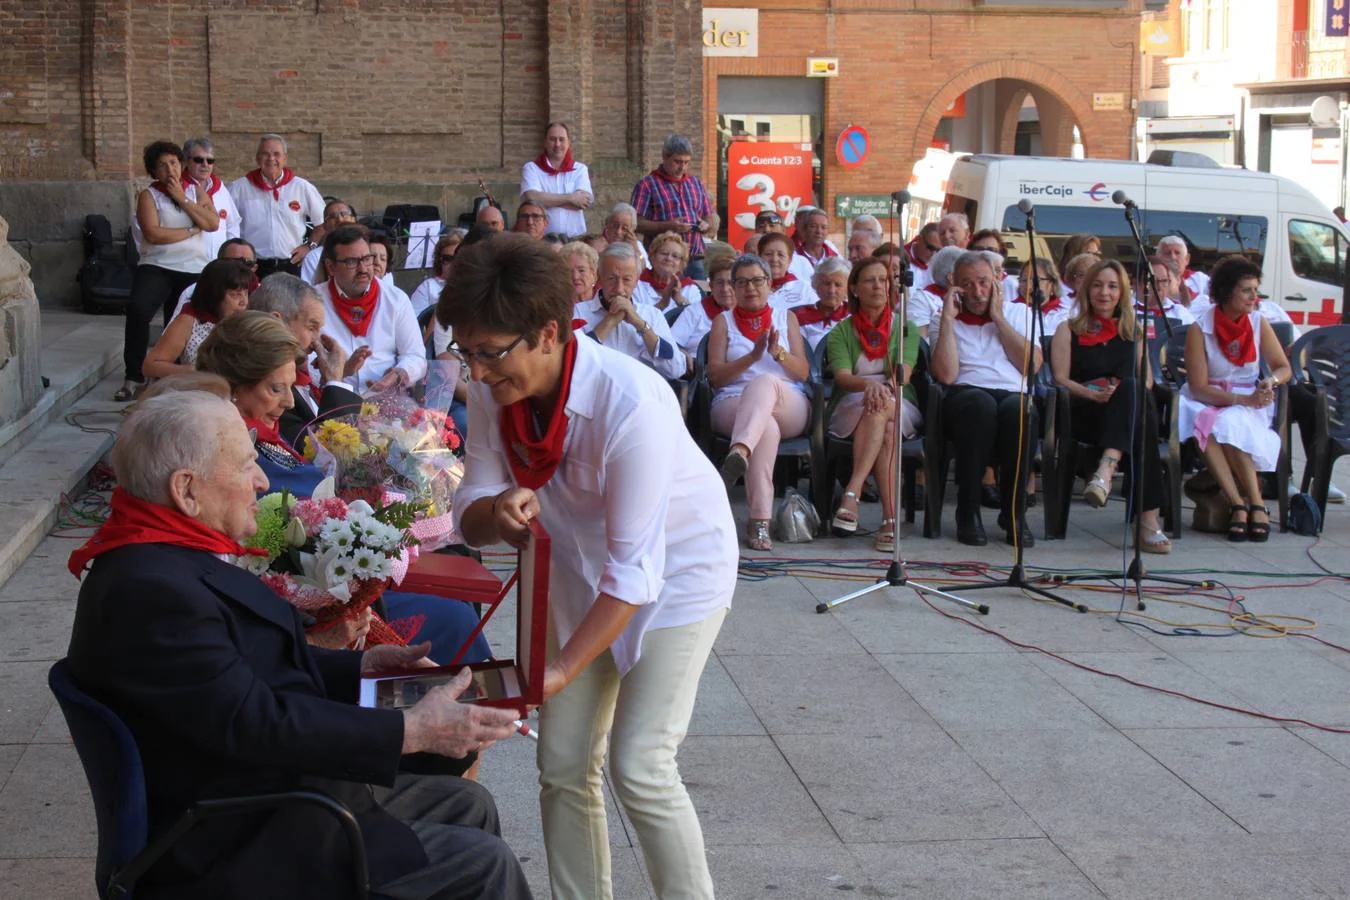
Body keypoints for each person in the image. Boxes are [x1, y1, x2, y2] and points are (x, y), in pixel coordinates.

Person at [65, 389, 531, 900]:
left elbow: (239, 673)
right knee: (483, 863)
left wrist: (361, 667)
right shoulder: (149, 590)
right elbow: (255, 722)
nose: (262, 481)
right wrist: (410, 730)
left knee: (470, 804)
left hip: (264, 793)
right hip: (236, 836)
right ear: (187, 490)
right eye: (245, 466)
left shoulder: (163, 556)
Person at [444, 234, 735, 900]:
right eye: (467, 352)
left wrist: (560, 670)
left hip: (678, 572)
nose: (477, 373)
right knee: (563, 762)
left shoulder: (629, 402)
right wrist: (500, 508)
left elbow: (634, 574)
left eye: (489, 353)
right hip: (576, 569)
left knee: (641, 764)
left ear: (548, 333)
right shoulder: (495, 388)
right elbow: (468, 511)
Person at [1050, 259, 1170, 552]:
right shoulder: (1068, 329)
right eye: (1098, 285)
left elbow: (1149, 382)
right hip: (1087, 413)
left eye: (1113, 286)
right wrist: (1093, 395)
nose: (1105, 292)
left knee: (1133, 388)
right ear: (1086, 289)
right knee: (1142, 423)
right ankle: (1148, 520)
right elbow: (1061, 379)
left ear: (1123, 292)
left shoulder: (1133, 331)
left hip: (1125, 410)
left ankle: (1105, 470)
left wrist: (1118, 394)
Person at [1177, 255, 1292, 543]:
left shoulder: (1257, 322)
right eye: (1246, 290)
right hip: (1208, 398)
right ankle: (1247, 504)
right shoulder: (1199, 328)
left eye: (1256, 289)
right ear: (1227, 292)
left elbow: (1283, 367)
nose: (1255, 297)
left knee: (1228, 424)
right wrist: (1242, 400)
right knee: (1217, 421)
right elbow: (1199, 387)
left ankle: (1248, 504)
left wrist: (1270, 381)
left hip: (1249, 396)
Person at [930, 251, 1041, 547]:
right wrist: (948, 321)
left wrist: (998, 318)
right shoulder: (944, 318)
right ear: (954, 285)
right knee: (980, 405)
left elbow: (1031, 367)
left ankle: (1014, 513)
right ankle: (968, 511)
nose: (977, 292)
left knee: (1019, 409)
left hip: (1011, 393)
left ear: (997, 281)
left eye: (983, 282)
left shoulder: (1020, 313)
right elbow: (946, 375)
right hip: (965, 396)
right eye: (967, 284)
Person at [708, 254, 811, 551]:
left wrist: (777, 353)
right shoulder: (722, 321)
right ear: (734, 288)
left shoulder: (786, 317)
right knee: (765, 427)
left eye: (757, 280)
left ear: (769, 284)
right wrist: (752, 357)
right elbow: (715, 377)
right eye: (742, 282)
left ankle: (739, 450)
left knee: (765, 382)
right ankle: (759, 523)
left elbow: (803, 372)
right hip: (734, 401)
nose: (750, 288)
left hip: (787, 400)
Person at [826, 256, 921, 552]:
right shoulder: (840, 332)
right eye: (870, 280)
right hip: (853, 401)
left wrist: (884, 387)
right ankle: (889, 520)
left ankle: (851, 494)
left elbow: (905, 371)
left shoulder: (905, 327)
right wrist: (870, 385)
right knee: (885, 426)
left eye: (883, 279)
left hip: (898, 398)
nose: (879, 285)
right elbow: (842, 377)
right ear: (854, 288)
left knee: (881, 409)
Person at [117, 140, 220, 402]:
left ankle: (169, 378)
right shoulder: (149, 195)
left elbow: (211, 223)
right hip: (157, 265)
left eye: (173, 163)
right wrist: (189, 230)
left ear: (182, 164)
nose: (170, 170)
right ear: (154, 171)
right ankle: (133, 375)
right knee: (139, 309)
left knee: (178, 323)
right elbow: (153, 233)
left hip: (193, 267)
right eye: (162, 166)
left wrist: (181, 198)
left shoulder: (194, 191)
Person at [248, 273, 362, 447]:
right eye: (311, 327)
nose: (317, 340)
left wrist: (332, 381)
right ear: (276, 322)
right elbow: (329, 452)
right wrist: (335, 380)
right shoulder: (264, 387)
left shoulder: (305, 377)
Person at [316, 225, 427, 394]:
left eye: (367, 259)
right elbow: (304, 366)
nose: (363, 269)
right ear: (330, 267)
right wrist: (341, 372)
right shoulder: (313, 302)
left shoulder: (396, 299)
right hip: (331, 399)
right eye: (351, 262)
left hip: (386, 401)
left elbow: (416, 357)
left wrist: (398, 374)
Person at [571, 243, 685, 380]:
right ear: (599, 277)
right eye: (612, 279)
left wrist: (641, 325)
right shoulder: (577, 312)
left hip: (642, 396)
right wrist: (609, 322)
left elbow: (675, 369)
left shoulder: (652, 315)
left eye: (627, 280)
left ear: (637, 281)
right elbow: (574, 363)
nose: (619, 288)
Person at [228, 134, 326, 278]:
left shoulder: (302, 187)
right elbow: (225, 225)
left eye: (276, 154)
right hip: (252, 267)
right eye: (265, 154)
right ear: (257, 158)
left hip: (292, 264)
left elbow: (323, 223)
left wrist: (309, 246)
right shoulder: (238, 188)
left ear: (284, 158)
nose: (271, 158)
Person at [143, 259, 253, 379]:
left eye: (246, 293)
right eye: (235, 294)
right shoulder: (189, 321)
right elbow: (150, 366)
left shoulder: (249, 322)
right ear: (215, 295)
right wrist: (193, 372)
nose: (244, 302)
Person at [631, 134, 717, 279]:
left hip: (694, 258)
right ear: (665, 157)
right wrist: (667, 226)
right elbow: (635, 223)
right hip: (663, 260)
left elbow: (708, 216)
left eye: (686, 162)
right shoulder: (647, 185)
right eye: (677, 162)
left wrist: (705, 224)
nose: (682, 167)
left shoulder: (696, 183)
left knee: (695, 298)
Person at [520, 121, 594, 238]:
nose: (557, 144)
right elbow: (532, 199)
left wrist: (546, 201)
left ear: (569, 143)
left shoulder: (580, 169)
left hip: (574, 240)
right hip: (541, 239)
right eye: (553, 139)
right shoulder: (531, 168)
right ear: (545, 142)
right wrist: (571, 198)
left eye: (561, 139)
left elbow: (584, 201)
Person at [670, 253, 737, 366]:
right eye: (720, 283)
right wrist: (681, 352)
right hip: (698, 373)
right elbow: (671, 342)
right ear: (711, 285)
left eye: (730, 283)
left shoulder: (748, 313)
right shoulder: (695, 311)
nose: (725, 289)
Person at [171, 237, 259, 320]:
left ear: (254, 268)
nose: (241, 268)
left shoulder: (262, 293)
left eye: (248, 263)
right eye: (234, 262)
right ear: (219, 263)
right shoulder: (192, 291)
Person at [182, 137, 240, 260]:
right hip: (186, 265)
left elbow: (232, 224)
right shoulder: (179, 189)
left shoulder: (221, 189)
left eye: (210, 160)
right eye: (198, 160)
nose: (205, 164)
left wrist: (232, 258)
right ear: (186, 161)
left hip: (218, 265)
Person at [793, 256, 850, 350]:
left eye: (838, 285)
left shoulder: (853, 315)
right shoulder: (799, 317)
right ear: (816, 286)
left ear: (847, 289)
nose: (832, 290)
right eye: (827, 284)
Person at [633, 232, 701, 309]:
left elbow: (694, 318)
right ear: (652, 257)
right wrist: (663, 303)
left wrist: (680, 299)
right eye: (664, 253)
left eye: (675, 256)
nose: (668, 258)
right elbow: (634, 318)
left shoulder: (690, 289)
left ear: (682, 264)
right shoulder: (636, 283)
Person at [909, 245, 964, 336]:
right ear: (951, 278)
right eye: (965, 274)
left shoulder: (965, 299)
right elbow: (920, 344)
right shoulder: (922, 300)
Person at [300, 198, 358, 284]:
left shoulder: (369, 248)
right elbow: (309, 292)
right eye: (333, 217)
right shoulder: (314, 258)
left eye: (344, 214)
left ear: (354, 219)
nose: (340, 220)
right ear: (325, 226)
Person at [1013, 256, 1072, 340]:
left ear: (1052, 283)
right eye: (1024, 280)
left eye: (1035, 280)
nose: (1028, 286)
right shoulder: (1011, 311)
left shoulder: (1067, 312)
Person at [759, 232, 819, 311]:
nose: (774, 259)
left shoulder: (804, 289)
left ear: (790, 260)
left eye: (780, 255)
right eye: (768, 254)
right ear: (759, 258)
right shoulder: (751, 288)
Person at [410, 233, 463, 316]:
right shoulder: (427, 287)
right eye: (448, 259)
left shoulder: (476, 286)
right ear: (439, 261)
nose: (454, 263)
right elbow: (414, 322)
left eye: (459, 258)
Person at [970, 229, 1019, 302]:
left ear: (1001, 254)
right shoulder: (966, 280)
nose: (985, 254)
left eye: (991, 250)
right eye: (979, 249)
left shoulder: (1011, 285)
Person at [1157, 235, 1209, 302]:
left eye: (1177, 253)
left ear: (1187, 259)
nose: (1173, 257)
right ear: (1158, 258)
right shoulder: (1148, 280)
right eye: (1168, 253)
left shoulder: (1201, 280)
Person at [602, 202, 650, 266]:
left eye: (624, 228)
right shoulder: (599, 243)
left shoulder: (636, 245)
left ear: (632, 229)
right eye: (615, 226)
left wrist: (636, 250)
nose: (618, 232)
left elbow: (645, 267)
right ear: (607, 224)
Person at [907, 222, 942, 291]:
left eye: (938, 250)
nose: (933, 254)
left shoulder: (938, 266)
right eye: (930, 248)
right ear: (919, 239)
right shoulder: (901, 257)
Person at [561, 240, 599, 304]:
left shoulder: (606, 305)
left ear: (594, 275)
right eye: (569, 271)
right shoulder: (554, 307)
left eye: (581, 270)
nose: (575, 277)